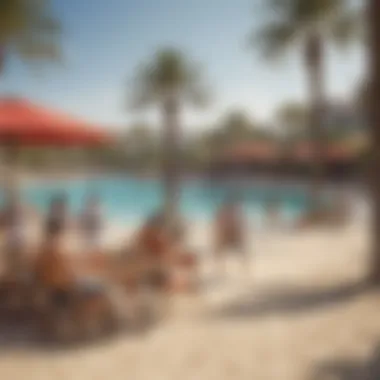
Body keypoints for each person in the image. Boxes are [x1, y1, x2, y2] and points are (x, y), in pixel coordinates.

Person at [213, 197, 248, 275]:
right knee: (221, 252)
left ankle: (243, 269)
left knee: (240, 252)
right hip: (229, 237)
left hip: (230, 237)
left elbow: (218, 229)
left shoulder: (226, 215)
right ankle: (221, 269)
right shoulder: (226, 215)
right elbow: (218, 229)